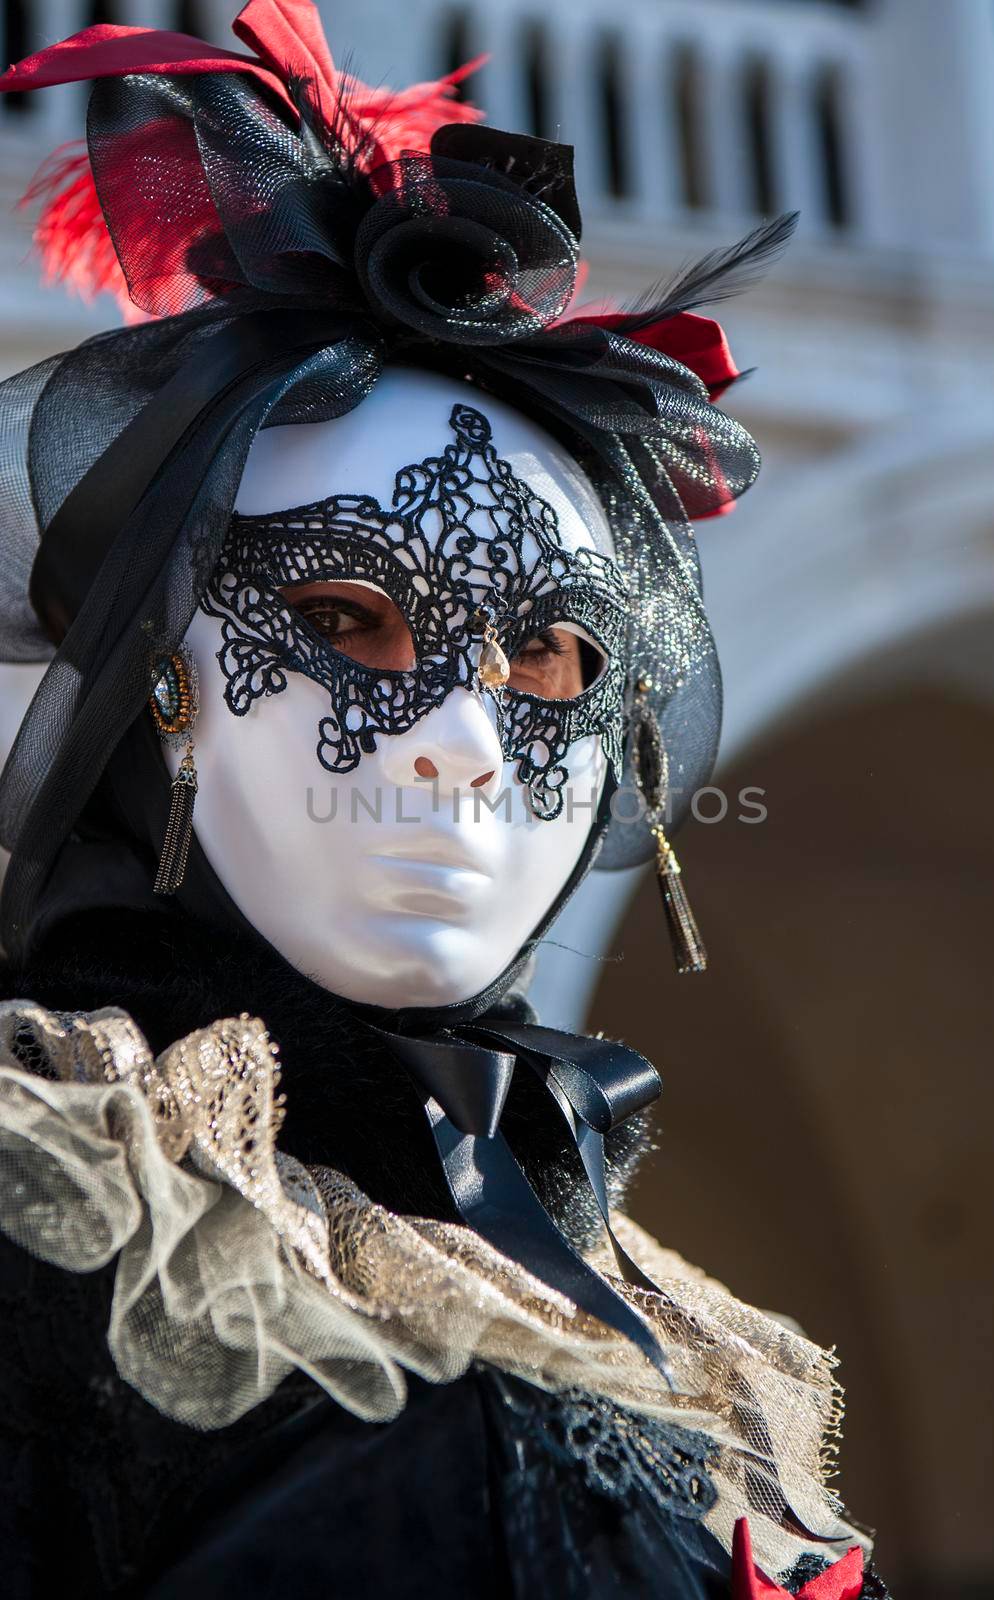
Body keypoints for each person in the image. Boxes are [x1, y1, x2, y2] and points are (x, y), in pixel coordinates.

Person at [0, 3, 890, 1594]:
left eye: (545, 659)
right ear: (159, 676)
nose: (466, 745)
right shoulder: (54, 1214)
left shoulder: (650, 1307)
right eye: (346, 622)